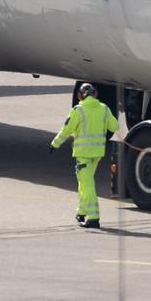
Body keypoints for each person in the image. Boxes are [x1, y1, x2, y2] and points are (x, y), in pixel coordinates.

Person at [52, 83, 119, 230]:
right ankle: (81, 212)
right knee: (84, 182)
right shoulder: (104, 109)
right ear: (95, 94)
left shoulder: (78, 110)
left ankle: (93, 217)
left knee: (87, 185)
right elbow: (115, 127)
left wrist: (55, 144)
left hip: (83, 155)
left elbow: (66, 130)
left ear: (80, 95)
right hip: (97, 154)